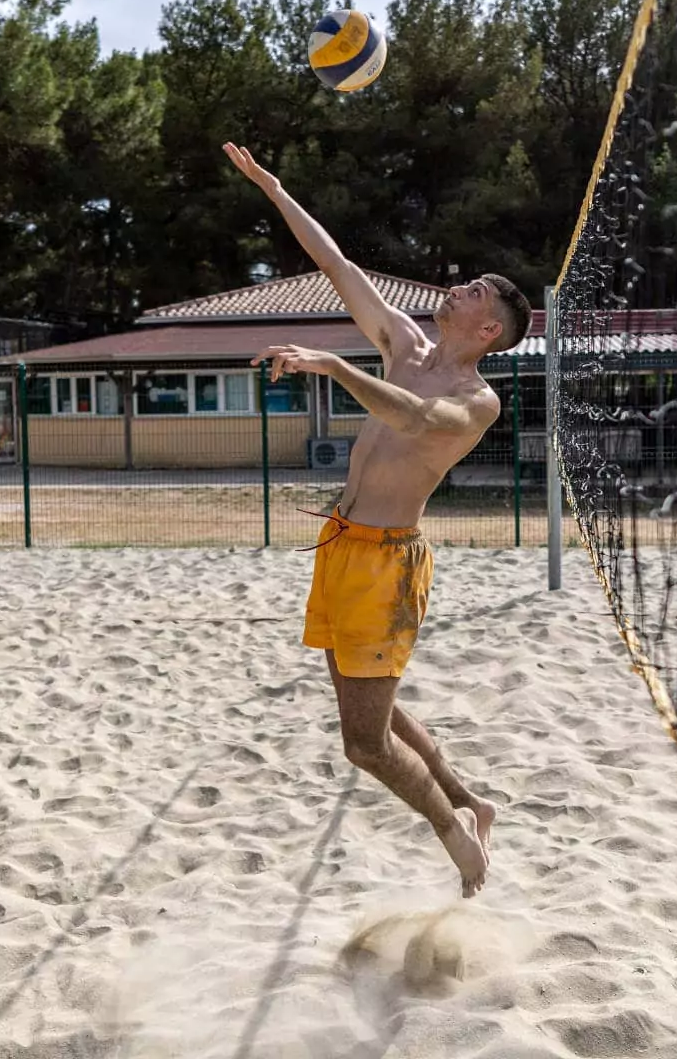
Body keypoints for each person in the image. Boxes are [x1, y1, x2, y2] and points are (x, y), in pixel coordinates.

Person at [224, 141, 533, 897]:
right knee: (374, 709)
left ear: (488, 330)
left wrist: (334, 367)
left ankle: (456, 835)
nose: (456, 290)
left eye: (471, 294)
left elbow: (420, 415)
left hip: (388, 566)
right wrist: (274, 188)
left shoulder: (477, 398)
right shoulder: (405, 342)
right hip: (342, 547)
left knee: (363, 742)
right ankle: (471, 802)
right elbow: (338, 266)